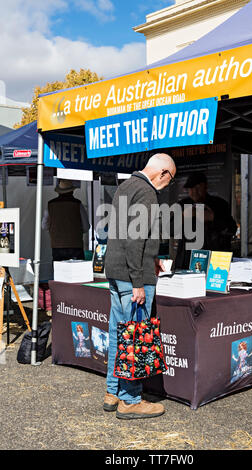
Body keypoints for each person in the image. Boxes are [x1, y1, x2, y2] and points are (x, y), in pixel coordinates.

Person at [103, 153, 176, 420]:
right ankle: (130, 400)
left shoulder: (125, 186)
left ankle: (113, 393)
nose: (167, 185)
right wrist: (138, 280)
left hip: (116, 270)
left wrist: (147, 262)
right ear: (163, 173)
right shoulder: (146, 192)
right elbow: (135, 240)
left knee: (119, 335)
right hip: (133, 276)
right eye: (170, 180)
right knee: (135, 337)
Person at [175, 171, 237, 269]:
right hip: (187, 260)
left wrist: (213, 217)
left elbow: (232, 229)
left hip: (215, 259)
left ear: (205, 186)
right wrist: (183, 216)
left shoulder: (219, 204)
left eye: (197, 187)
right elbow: (169, 230)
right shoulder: (182, 205)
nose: (194, 191)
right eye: (191, 188)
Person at [42, 179, 90, 261]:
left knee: (59, 272)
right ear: (72, 191)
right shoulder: (78, 204)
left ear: (59, 192)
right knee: (77, 272)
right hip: (76, 245)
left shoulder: (51, 204)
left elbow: (44, 226)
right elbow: (86, 227)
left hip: (57, 246)